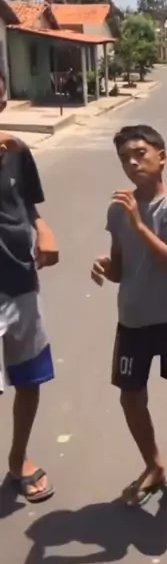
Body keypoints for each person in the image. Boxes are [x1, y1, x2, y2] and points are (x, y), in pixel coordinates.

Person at [91, 125, 167, 507]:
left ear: (162, 157)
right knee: (131, 399)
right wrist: (105, 267)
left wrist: (139, 225)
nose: (132, 162)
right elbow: (121, 267)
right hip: (134, 319)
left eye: (140, 153)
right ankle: (153, 465)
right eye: (125, 157)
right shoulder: (118, 209)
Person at [0, 69, 59, 502]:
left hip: (21, 282)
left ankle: (18, 457)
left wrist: (44, 229)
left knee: (28, 380)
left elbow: (28, 207)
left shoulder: (17, 152)